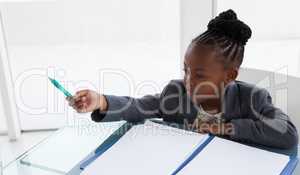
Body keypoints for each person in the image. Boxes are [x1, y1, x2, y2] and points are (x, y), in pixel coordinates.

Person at [67, 9, 298, 149]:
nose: (188, 80)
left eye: (199, 75)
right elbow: (137, 106)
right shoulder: (175, 93)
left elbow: (287, 134)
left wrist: (225, 127)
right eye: (186, 70)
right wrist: (101, 102)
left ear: (229, 76)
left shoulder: (252, 99)